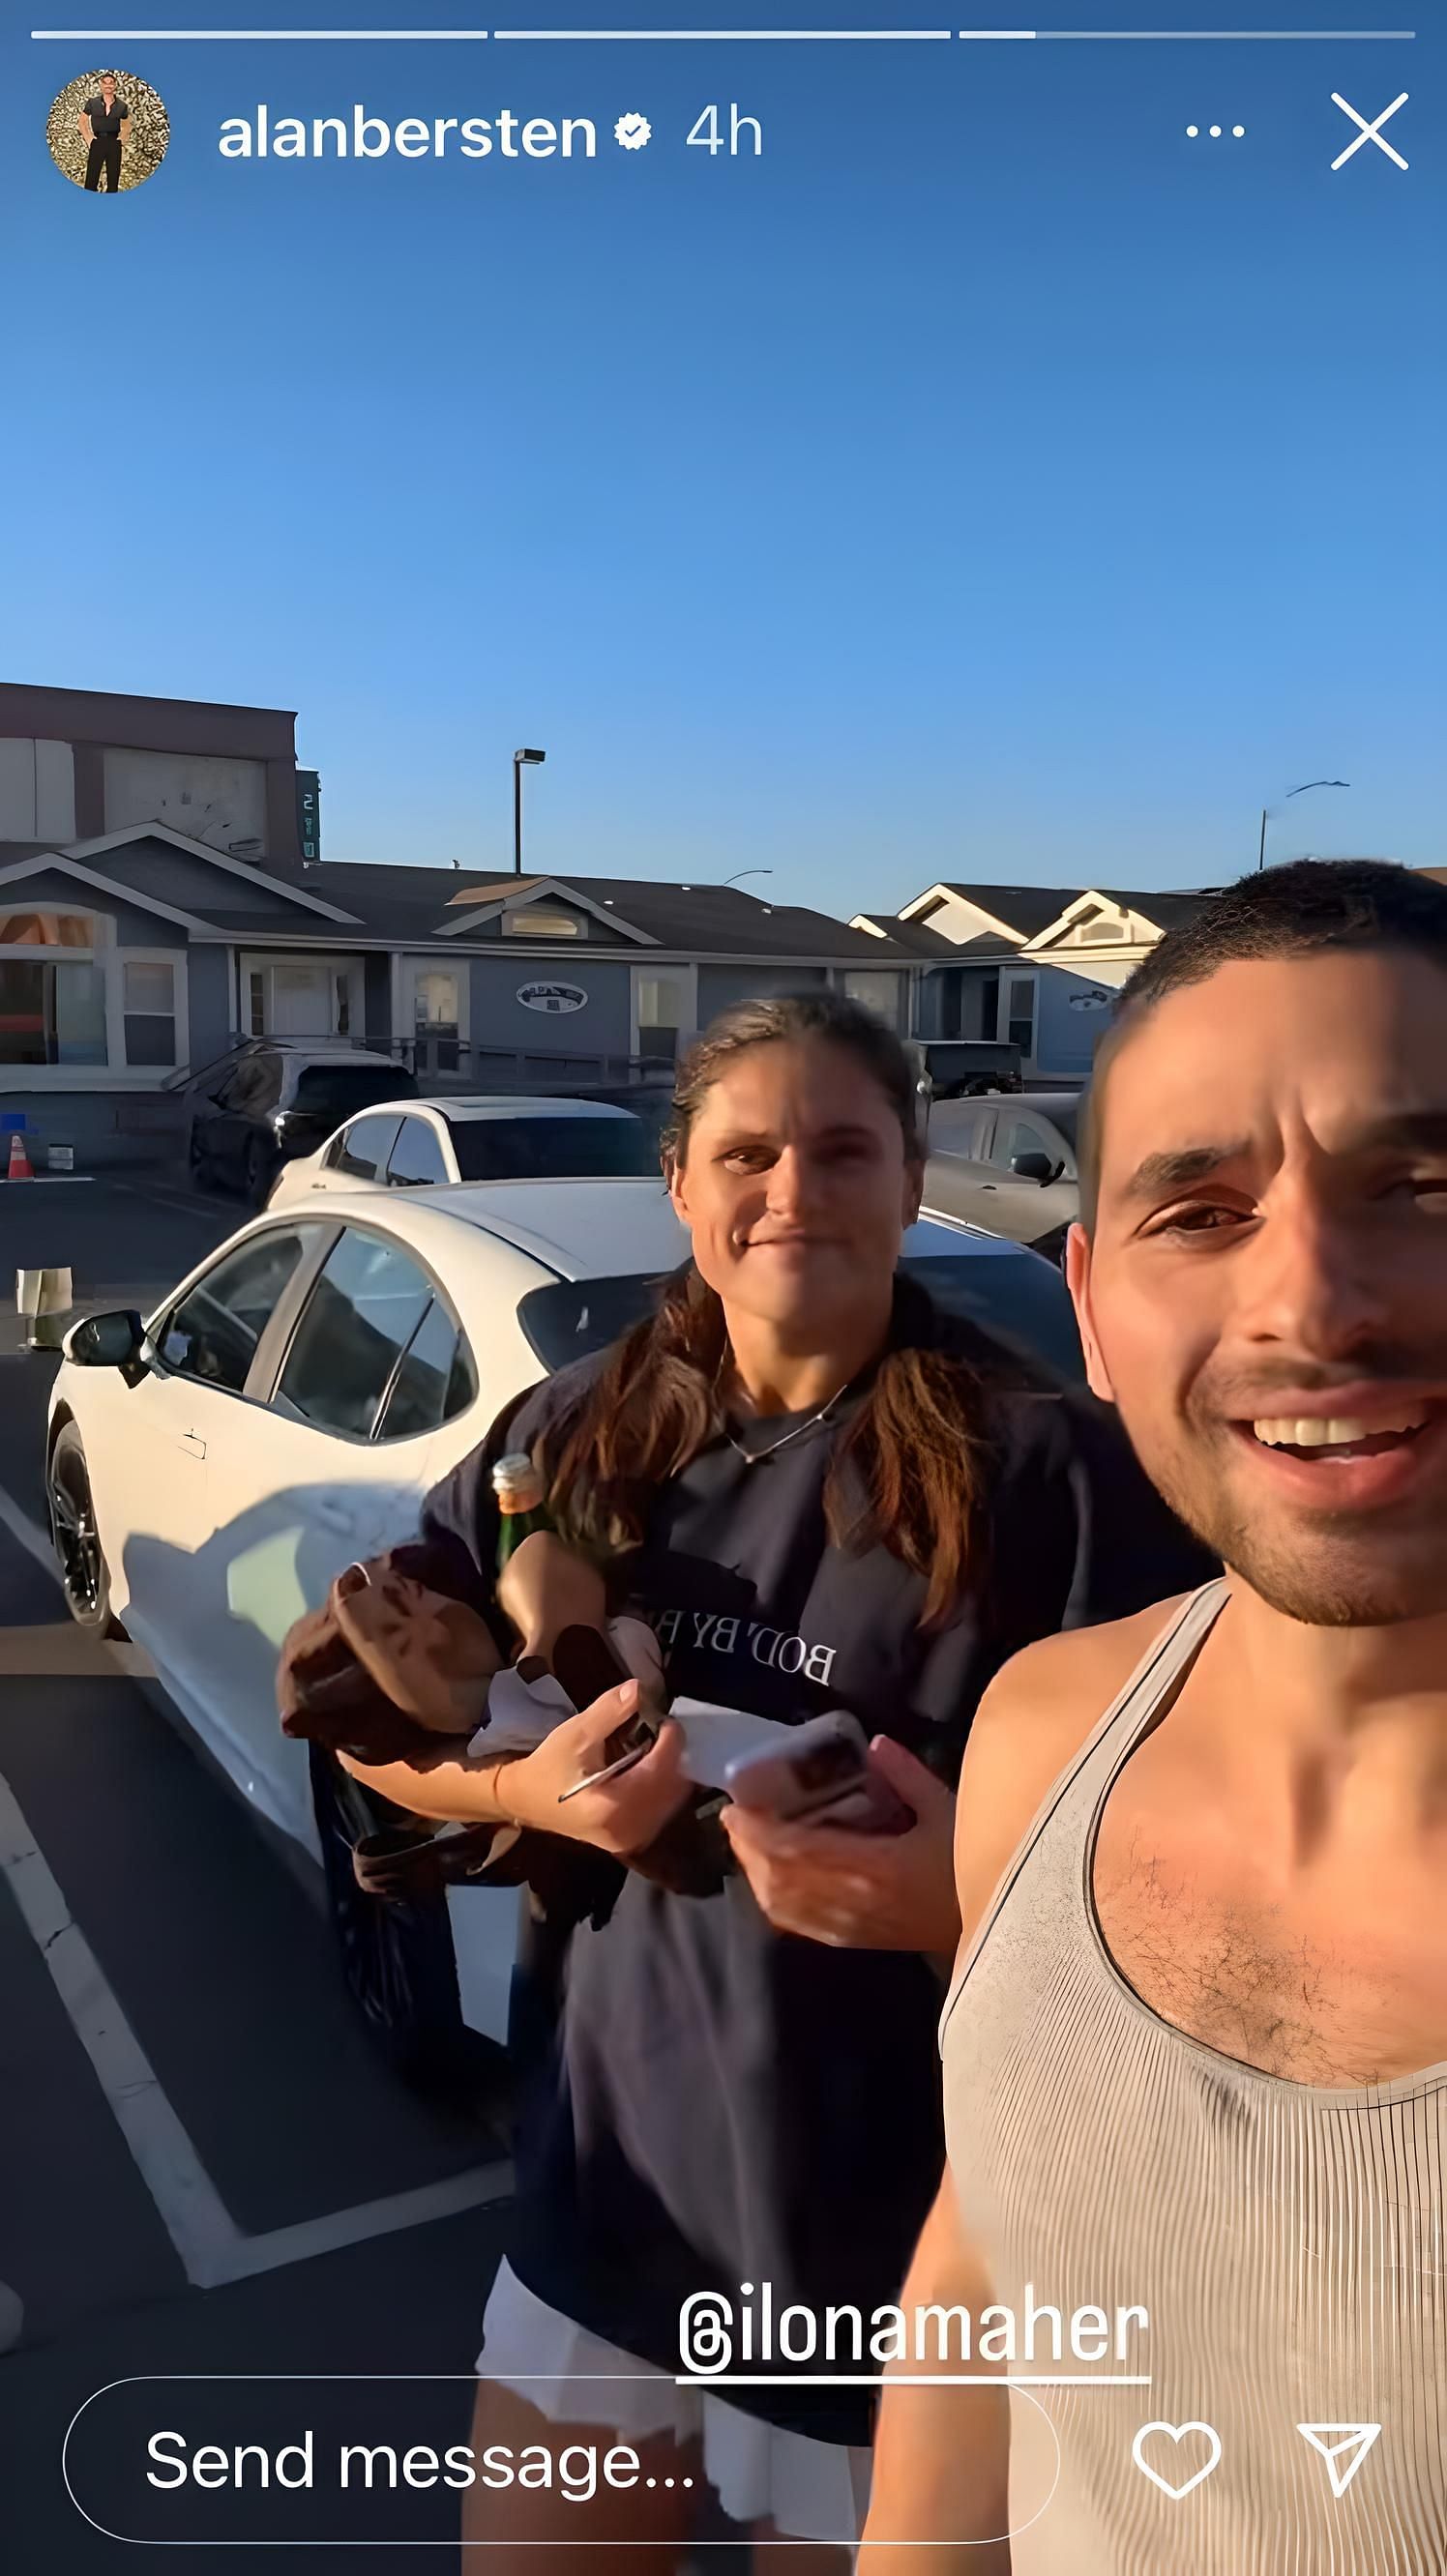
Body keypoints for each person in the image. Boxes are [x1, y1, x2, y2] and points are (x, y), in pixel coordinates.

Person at [329, 993, 1211, 2566]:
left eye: (842, 1146)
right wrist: (530, 1798)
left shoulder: (1054, 1472)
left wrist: (953, 1894)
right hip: (610, 2186)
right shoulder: (568, 1438)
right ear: (682, 1183)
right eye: (748, 1150)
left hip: (897, 2238)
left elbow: (1206, 1861)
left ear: (910, 1172)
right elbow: (381, 1724)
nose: (792, 1186)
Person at [861, 860, 1447, 2575]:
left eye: (1424, 1179)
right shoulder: (1045, 1728)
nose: (1314, 1303)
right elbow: (987, 2260)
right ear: (1096, 1309)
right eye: (1200, 1211)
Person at [78, 75, 130, 192]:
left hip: (114, 143)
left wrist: (121, 139)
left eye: (111, 83)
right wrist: (89, 139)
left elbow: (127, 125)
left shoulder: (122, 106)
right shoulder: (92, 102)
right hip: (97, 142)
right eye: (105, 83)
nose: (108, 85)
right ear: (101, 85)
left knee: (113, 181)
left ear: (115, 85)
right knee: (91, 180)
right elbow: (82, 122)